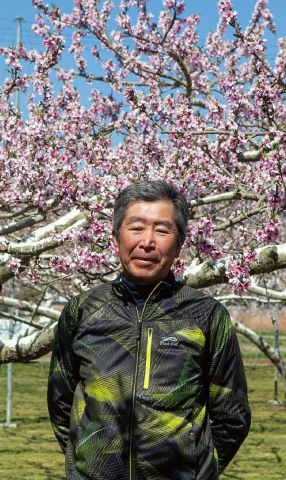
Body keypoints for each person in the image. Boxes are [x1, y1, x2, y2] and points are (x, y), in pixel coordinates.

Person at [48, 180, 251, 480]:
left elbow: (231, 415)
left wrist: (199, 473)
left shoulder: (206, 316)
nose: (147, 242)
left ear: (179, 244)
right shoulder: (83, 311)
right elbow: (61, 402)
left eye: (162, 230)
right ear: (116, 238)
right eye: (137, 227)